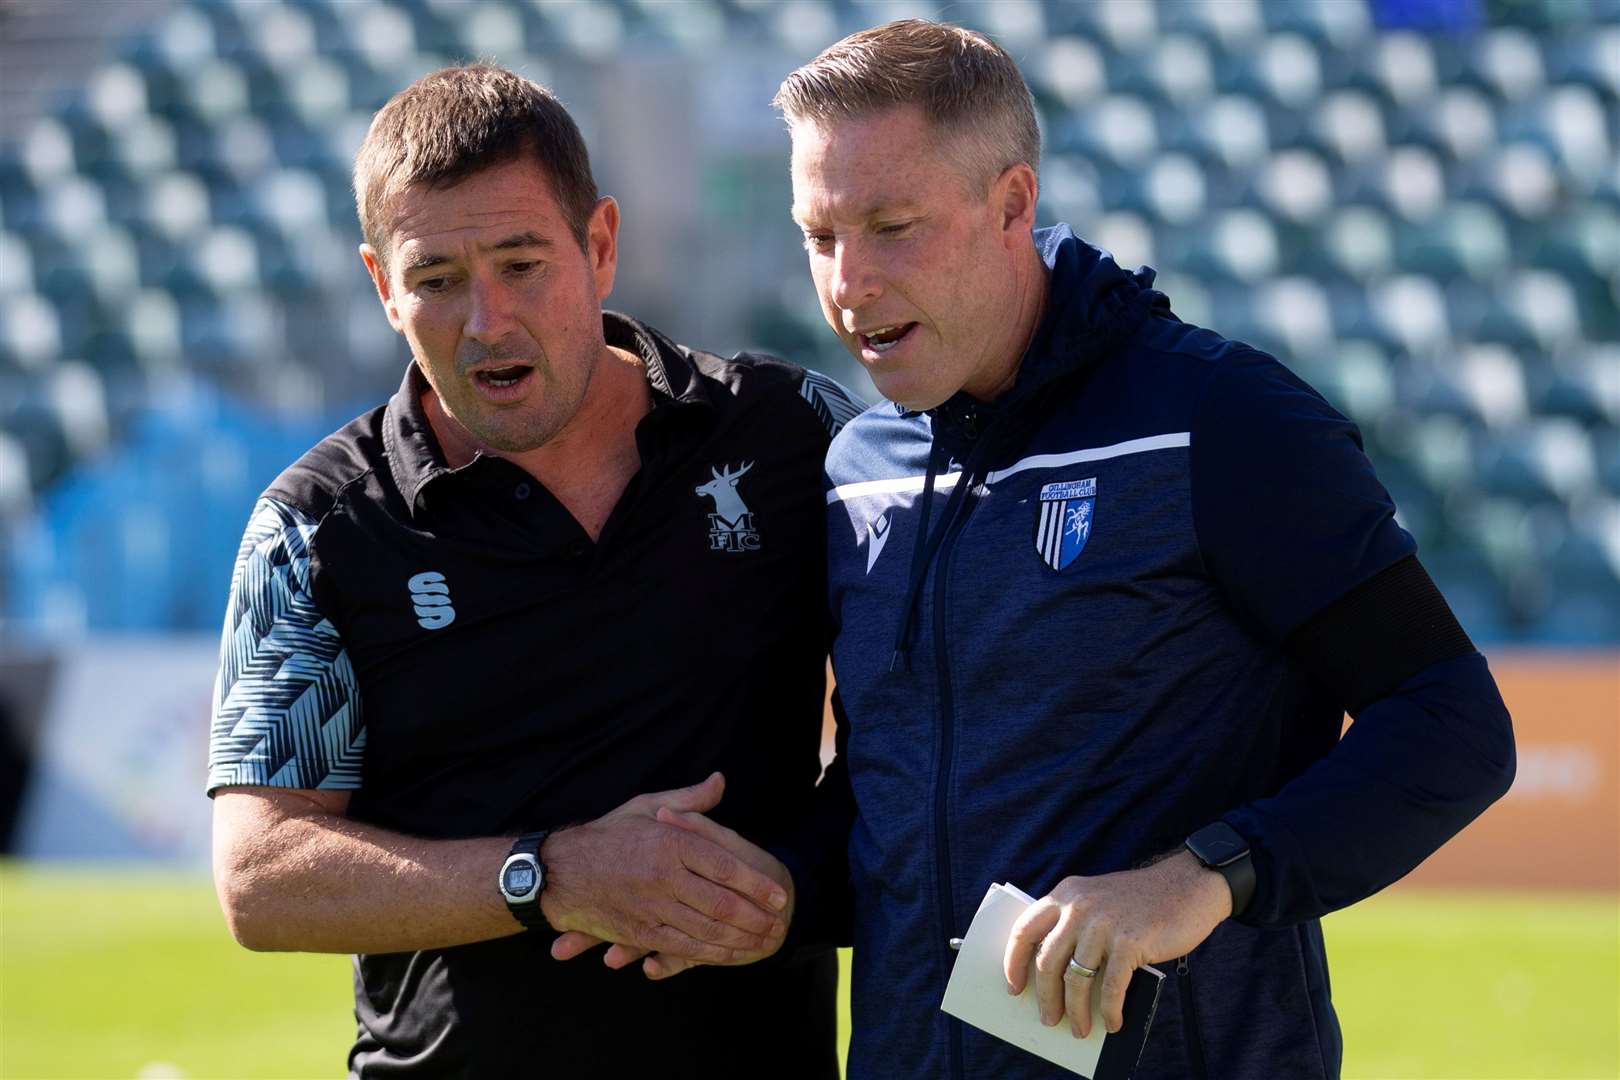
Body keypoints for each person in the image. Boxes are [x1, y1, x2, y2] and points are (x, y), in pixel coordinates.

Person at [769, 19, 1516, 1079]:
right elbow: (902, 806)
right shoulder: (859, 470)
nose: (849, 282)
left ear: (1012, 205)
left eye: (893, 227)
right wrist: (767, 884)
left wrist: (1203, 877)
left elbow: (1454, 726)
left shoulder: (1217, 418)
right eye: (819, 236)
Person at [206, 64, 860, 1077]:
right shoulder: (319, 525)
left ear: (600, 247)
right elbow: (259, 877)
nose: (486, 322)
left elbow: (928, 725)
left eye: (521, 263)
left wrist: (782, 891)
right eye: (436, 281)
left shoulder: (792, 434)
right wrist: (543, 875)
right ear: (383, 287)